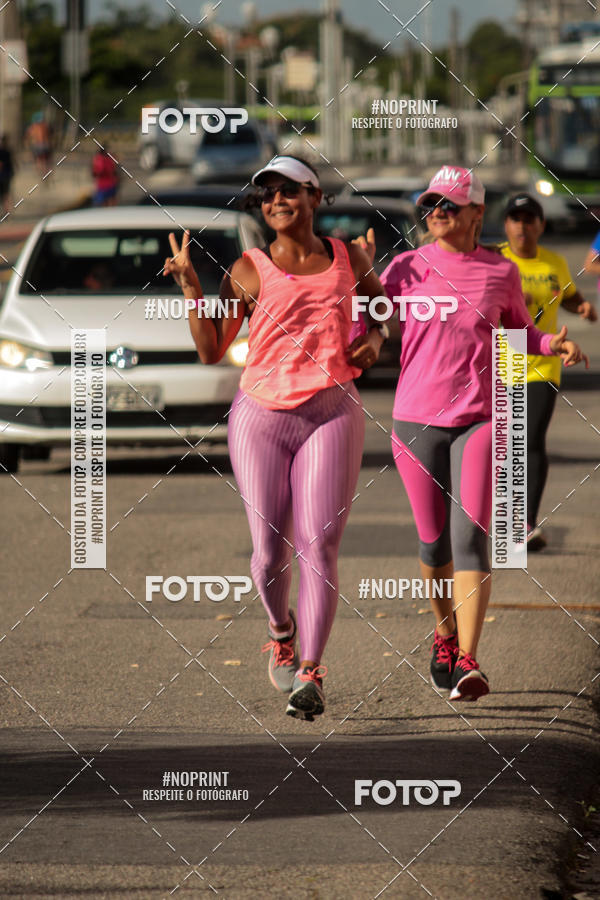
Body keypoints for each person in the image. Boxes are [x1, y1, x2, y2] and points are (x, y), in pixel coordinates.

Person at [163, 155, 386, 720]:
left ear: (315, 198)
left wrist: (375, 339)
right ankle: (280, 631)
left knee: (320, 546)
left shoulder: (348, 256)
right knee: (267, 555)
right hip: (261, 416)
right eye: (268, 195)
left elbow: (381, 309)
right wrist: (192, 288)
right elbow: (213, 349)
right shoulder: (248, 269)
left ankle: (310, 670)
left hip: (332, 411)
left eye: (290, 191)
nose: (278, 201)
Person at [359, 165, 588, 702]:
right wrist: (363, 281)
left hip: (482, 417)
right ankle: (443, 634)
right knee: (432, 542)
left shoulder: (499, 271)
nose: (436, 214)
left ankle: (468, 656)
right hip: (415, 418)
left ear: (477, 214)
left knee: (470, 536)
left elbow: (519, 332)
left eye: (448, 206)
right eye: (431, 206)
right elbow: (364, 328)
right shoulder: (404, 268)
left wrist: (553, 345)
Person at [500, 193, 596, 550]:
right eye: (515, 218)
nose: (522, 225)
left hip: (542, 366)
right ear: (506, 224)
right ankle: (501, 519)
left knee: (531, 438)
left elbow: (567, 295)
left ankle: (524, 524)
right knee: (504, 445)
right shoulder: (495, 260)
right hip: (498, 367)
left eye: (529, 219)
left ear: (540, 225)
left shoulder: (553, 262)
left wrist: (582, 305)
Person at [0, 134, 14, 215]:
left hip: (3, 176)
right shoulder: (8, 151)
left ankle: (6, 211)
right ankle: (7, 211)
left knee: (4, 194)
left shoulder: (3, 151)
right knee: (6, 194)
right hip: (7, 175)